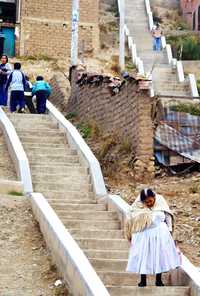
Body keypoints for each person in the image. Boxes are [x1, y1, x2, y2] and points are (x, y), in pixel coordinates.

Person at [125, 188, 180, 287]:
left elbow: (168, 216)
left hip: (160, 233)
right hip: (143, 234)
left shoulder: (160, 201)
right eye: (146, 202)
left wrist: (170, 231)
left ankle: (158, 280)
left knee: (159, 255)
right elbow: (131, 218)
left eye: (150, 201)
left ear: (154, 197)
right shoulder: (138, 205)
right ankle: (143, 280)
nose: (149, 203)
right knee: (144, 255)